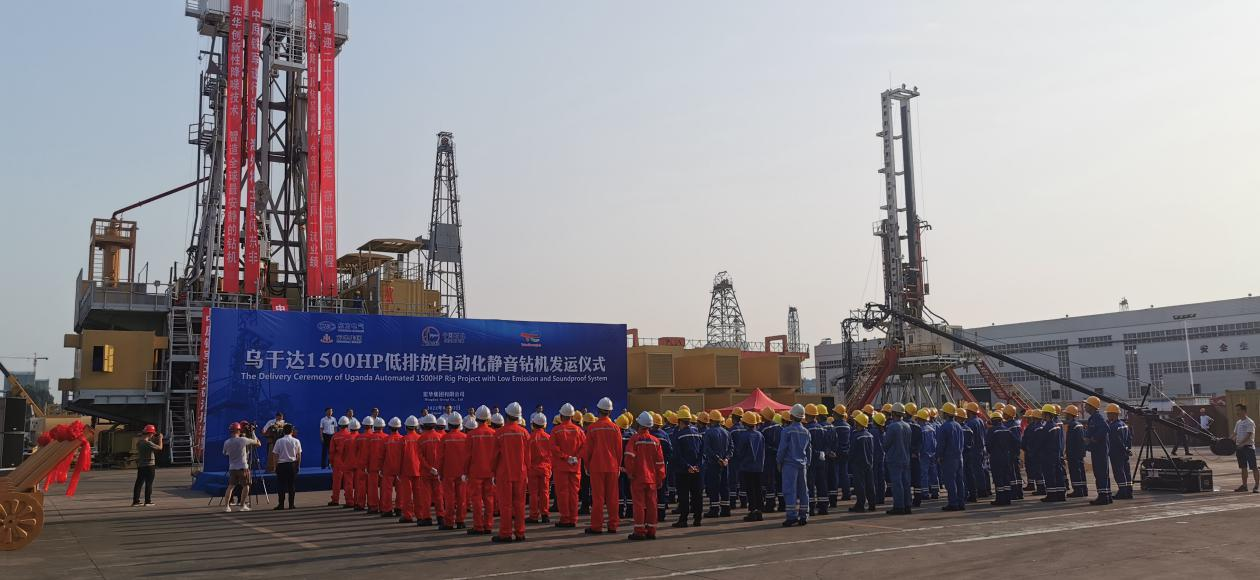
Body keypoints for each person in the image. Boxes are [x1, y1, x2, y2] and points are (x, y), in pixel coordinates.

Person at [580, 397, 623, 534]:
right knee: (612, 497)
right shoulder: (615, 428)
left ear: (598, 410)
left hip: (596, 466)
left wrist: (587, 466)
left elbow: (588, 450)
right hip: (612, 466)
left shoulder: (592, 428)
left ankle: (597, 526)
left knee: (598, 498)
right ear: (610, 411)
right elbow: (619, 450)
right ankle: (613, 525)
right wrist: (618, 466)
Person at [624, 411, 667, 540]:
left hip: (638, 477)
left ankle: (639, 531)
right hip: (652, 478)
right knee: (652, 504)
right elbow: (660, 462)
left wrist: (630, 473)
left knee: (639, 505)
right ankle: (651, 530)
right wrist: (660, 478)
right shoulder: (655, 441)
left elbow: (629, 458)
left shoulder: (635, 439)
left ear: (639, 424)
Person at [492, 402, 530, 542]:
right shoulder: (524, 433)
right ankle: (520, 533)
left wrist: (493, 472)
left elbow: (494, 456)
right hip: (520, 473)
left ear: (507, 415)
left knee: (505, 505)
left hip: (504, 473)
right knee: (519, 504)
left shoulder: (499, 433)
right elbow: (528, 456)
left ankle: (506, 533)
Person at [550, 403, 586, 528]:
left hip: (561, 467)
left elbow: (553, 448)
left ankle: (565, 519)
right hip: (575, 467)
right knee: (574, 493)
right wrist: (576, 457)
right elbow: (585, 447)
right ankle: (573, 518)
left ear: (561, 416)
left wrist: (566, 457)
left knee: (562, 493)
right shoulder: (579, 430)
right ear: (572, 416)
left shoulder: (556, 430)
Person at [670, 406, 705, 528]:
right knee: (697, 495)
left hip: (683, 471)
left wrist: (687, 466)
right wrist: (698, 465)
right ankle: (697, 519)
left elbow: (677, 454)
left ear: (680, 421)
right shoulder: (698, 433)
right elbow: (702, 452)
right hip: (697, 470)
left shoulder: (679, 435)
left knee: (683, 496)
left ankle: (683, 520)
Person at [778, 404, 812, 526]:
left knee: (790, 490)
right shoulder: (806, 432)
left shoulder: (787, 431)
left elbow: (782, 449)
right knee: (803, 490)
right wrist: (808, 463)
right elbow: (809, 450)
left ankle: (791, 516)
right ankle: (804, 515)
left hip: (789, 464)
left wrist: (779, 462)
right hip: (802, 465)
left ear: (791, 416)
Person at [439, 414, 471, 530]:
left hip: (448, 472)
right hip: (462, 472)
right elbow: (469, 456)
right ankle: (460, 521)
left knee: (449, 498)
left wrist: (440, 472)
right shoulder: (465, 437)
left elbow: (441, 457)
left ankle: (449, 522)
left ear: (449, 424)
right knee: (461, 498)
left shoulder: (445, 438)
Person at [733, 410, 765, 521]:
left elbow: (739, 452)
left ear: (745, 423)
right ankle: (759, 511)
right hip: (759, 467)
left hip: (747, 467)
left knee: (750, 490)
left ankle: (753, 512)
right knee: (758, 489)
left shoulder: (744, 436)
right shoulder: (760, 435)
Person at [222, 422, 261, 512]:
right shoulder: (243, 440)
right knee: (246, 486)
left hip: (232, 467)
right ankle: (242, 505)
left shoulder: (227, 442)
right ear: (238, 430)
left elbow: (224, 453)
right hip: (243, 467)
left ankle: (227, 506)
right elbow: (257, 442)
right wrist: (253, 432)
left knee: (230, 487)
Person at [702, 409, 733, 518]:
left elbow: (707, 449)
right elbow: (731, 448)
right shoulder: (727, 432)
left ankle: (714, 510)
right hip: (725, 464)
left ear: (711, 420)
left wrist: (717, 459)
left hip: (714, 464)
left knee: (714, 487)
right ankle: (726, 509)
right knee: (725, 486)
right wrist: (726, 459)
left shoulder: (708, 432)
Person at [415, 414, 444, 526]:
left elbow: (420, 457)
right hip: (438, 472)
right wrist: (437, 468)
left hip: (426, 472)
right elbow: (442, 455)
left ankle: (426, 518)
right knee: (439, 495)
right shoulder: (440, 437)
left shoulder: (421, 439)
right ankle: (441, 517)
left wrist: (429, 468)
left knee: (425, 496)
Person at [1083, 396, 1112, 505]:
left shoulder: (1097, 418)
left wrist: (1093, 439)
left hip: (1100, 450)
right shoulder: (1093, 418)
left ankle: (1103, 497)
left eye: (1086, 405)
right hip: (1097, 450)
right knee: (1102, 473)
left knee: (1100, 473)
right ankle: (1107, 495)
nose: (1085, 407)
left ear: (1092, 406)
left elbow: (1105, 428)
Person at [937, 404, 966, 511]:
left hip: (948, 457)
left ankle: (953, 503)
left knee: (950, 481)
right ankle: (961, 502)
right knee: (959, 481)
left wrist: (939, 455)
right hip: (959, 456)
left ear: (946, 414)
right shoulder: (958, 426)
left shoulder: (944, 427)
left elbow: (941, 444)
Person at [526, 412, 553, 524]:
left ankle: (534, 516)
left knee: (533, 493)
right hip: (545, 468)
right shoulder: (548, 437)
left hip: (533, 469)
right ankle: (545, 515)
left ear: (533, 424)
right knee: (545, 492)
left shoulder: (530, 438)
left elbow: (527, 456)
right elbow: (552, 454)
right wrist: (550, 468)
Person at [848, 412, 875, 513]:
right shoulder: (870, 435)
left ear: (859, 423)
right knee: (870, 484)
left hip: (858, 463)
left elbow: (852, 450)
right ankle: (872, 504)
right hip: (869, 463)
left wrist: (850, 460)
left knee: (860, 485)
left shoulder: (857, 436)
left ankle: (860, 505)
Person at [397, 416, 421, 523]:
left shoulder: (403, 440)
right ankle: (420, 515)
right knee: (419, 494)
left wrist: (398, 471)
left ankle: (407, 515)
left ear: (406, 427)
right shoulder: (421, 438)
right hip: (419, 469)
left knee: (406, 494)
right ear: (416, 426)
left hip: (406, 470)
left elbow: (400, 457)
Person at [1106, 404, 1134, 500]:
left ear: (1113, 414)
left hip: (1116, 453)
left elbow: (1117, 441)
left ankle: (1122, 492)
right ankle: (1129, 491)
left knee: (1119, 472)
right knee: (1126, 472)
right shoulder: (1124, 425)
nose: (1107, 415)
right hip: (1124, 452)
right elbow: (1129, 438)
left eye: (1108, 413)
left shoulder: (1113, 426)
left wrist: (1123, 449)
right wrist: (1127, 449)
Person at [271, 424, 302, 509]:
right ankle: (291, 504)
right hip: (292, 464)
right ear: (291, 431)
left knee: (281, 485)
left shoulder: (279, 441)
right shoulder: (296, 441)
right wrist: (298, 466)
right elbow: (299, 455)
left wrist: (275, 466)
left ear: (283, 431)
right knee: (291, 485)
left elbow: (275, 454)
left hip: (281, 465)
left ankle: (281, 504)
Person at [131, 425, 162, 507]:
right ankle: (148, 501)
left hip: (141, 465)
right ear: (150, 433)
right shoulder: (148, 443)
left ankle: (136, 501)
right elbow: (160, 448)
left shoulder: (139, 443)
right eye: (152, 434)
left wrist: (152, 439)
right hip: (150, 465)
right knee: (149, 483)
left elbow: (148, 443)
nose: (153, 435)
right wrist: (160, 439)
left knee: (139, 483)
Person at [381, 417, 405, 518]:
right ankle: (399, 508)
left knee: (387, 490)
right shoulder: (402, 439)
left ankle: (388, 510)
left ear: (390, 427)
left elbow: (381, 455)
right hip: (400, 469)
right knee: (400, 490)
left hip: (388, 468)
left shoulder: (386, 440)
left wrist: (380, 468)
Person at [1063, 405, 1089, 498]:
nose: (1065, 415)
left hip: (1073, 453)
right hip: (1080, 452)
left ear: (1070, 414)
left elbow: (1070, 441)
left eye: (1066, 413)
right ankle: (1083, 490)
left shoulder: (1072, 425)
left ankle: (1077, 491)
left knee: (1075, 472)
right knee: (1081, 471)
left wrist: (1067, 452)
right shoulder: (1079, 424)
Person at [761, 407, 783, 512]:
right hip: (779, 457)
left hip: (769, 458)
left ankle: (770, 504)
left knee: (769, 482)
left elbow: (763, 445)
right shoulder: (780, 427)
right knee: (780, 480)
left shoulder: (763, 429)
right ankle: (782, 504)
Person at [1233, 404, 1258, 493]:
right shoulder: (1238, 422)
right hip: (1239, 448)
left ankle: (1257, 486)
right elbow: (1235, 434)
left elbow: (1249, 434)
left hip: (1248, 448)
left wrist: (1241, 444)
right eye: (1236, 410)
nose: (1237, 412)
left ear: (1244, 411)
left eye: (1238, 410)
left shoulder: (1250, 422)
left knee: (1254, 467)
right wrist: (1226, 442)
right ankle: (1244, 486)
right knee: (1243, 467)